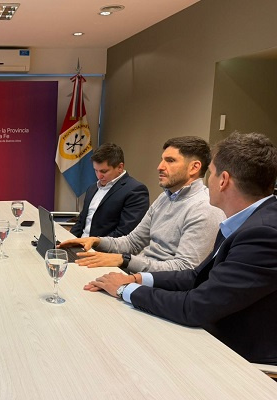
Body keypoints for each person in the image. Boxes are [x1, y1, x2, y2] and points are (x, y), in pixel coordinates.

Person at [85, 131, 277, 364]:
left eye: (211, 173)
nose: (207, 181)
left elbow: (197, 307)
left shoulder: (263, 233)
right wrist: (137, 279)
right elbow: (197, 276)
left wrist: (124, 289)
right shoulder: (245, 221)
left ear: (223, 180)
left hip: (234, 356)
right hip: (211, 331)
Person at [60, 136, 225, 273]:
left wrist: (124, 261)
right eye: (162, 160)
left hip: (157, 287)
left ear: (194, 167)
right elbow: (133, 242)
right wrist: (96, 241)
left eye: (170, 161)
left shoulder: (205, 209)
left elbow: (185, 269)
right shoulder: (164, 198)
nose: (160, 167)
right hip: (138, 273)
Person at [70, 143, 149, 238]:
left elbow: (125, 233)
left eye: (104, 171)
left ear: (120, 167)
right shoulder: (92, 188)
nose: (99, 176)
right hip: (80, 243)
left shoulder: (135, 190)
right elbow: (81, 221)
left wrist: (94, 243)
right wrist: (68, 240)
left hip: (103, 246)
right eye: (96, 170)